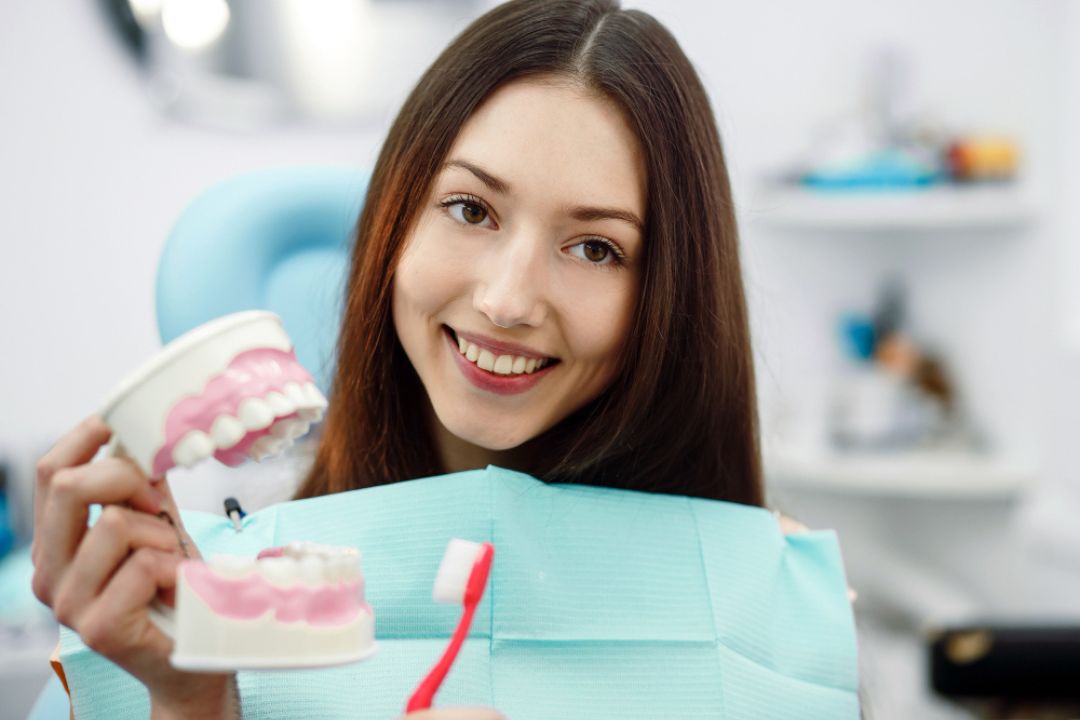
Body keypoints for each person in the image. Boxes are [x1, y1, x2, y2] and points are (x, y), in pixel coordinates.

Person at [31, 1, 776, 717]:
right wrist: (193, 705)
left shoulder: (768, 613)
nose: (507, 301)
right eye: (471, 209)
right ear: (394, 219)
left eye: (595, 248)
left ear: (674, 299)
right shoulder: (220, 589)